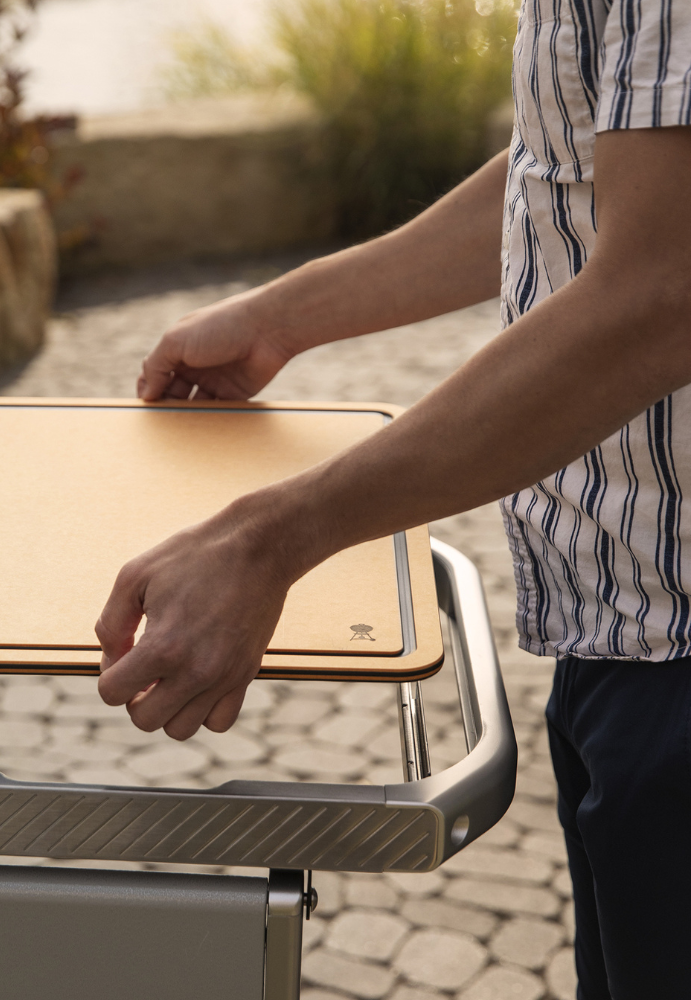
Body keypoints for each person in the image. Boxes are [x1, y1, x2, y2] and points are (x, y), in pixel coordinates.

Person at [95, 3, 691, 997]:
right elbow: (572, 166)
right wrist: (286, 315)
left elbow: (660, 293)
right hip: (627, 638)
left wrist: (271, 537)